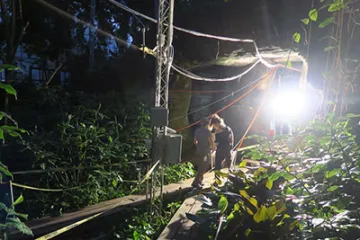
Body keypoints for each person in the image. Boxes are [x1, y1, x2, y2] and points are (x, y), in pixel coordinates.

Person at [192, 117, 216, 188]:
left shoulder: (197, 131)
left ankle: (200, 181)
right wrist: (213, 147)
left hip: (198, 151)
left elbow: (195, 141)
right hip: (205, 152)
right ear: (207, 123)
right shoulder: (207, 132)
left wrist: (198, 146)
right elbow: (211, 141)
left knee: (200, 166)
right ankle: (195, 182)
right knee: (203, 167)